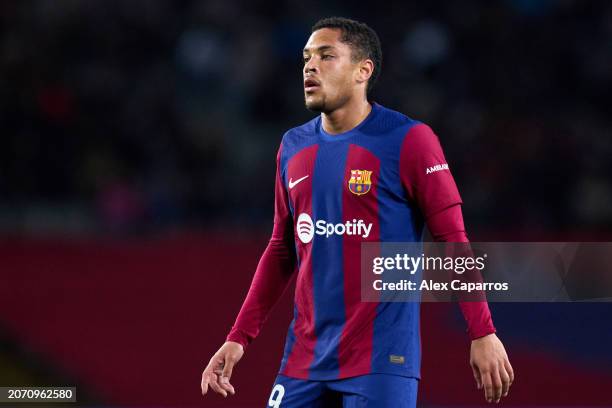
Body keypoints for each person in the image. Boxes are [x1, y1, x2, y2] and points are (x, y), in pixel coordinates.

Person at [201, 17, 514, 407]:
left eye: (327, 56)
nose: (310, 67)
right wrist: (238, 337)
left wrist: (482, 331)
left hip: (381, 362)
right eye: (306, 58)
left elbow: (453, 240)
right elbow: (282, 248)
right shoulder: (293, 147)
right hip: (303, 362)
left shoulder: (410, 140)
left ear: (363, 71)